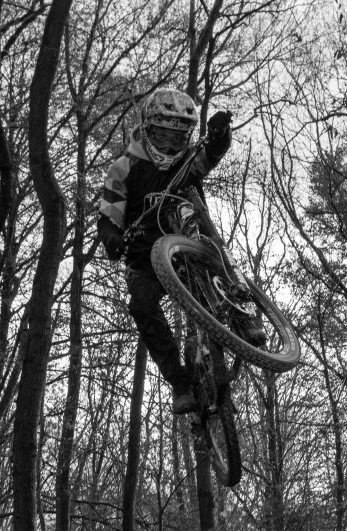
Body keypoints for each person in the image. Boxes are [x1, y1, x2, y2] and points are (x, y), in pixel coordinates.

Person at [97, 87, 258, 414]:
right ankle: (181, 383)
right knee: (142, 306)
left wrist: (219, 135)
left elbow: (208, 156)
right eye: (164, 137)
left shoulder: (186, 162)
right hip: (144, 257)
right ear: (148, 129)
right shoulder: (125, 167)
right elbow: (109, 211)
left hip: (189, 241)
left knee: (209, 237)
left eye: (179, 138)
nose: (171, 145)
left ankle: (243, 313)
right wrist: (112, 237)